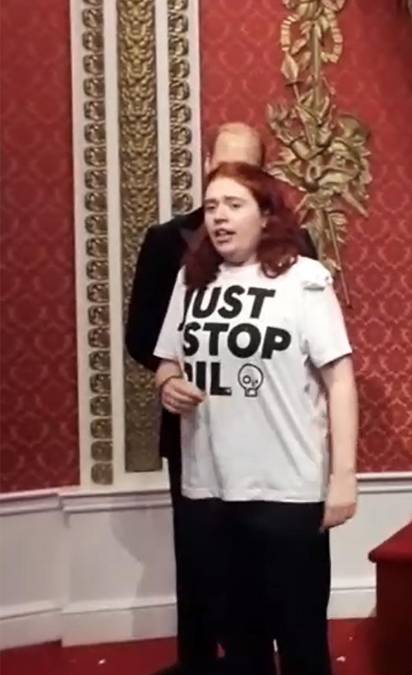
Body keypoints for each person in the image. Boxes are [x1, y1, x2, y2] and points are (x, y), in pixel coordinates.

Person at [125, 121, 315, 675]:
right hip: (195, 431)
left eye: (243, 171)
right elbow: (145, 335)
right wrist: (170, 379)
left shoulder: (298, 248)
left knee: (274, 574)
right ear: (206, 164)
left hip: (272, 440)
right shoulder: (167, 242)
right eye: (220, 167)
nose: (226, 190)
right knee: (201, 566)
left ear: (262, 178)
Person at [152, 161, 357, 675]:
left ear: (265, 216)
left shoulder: (304, 279)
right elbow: (167, 360)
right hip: (210, 490)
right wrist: (167, 384)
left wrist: (343, 477)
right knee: (240, 645)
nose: (219, 217)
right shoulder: (191, 280)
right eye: (211, 207)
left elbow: (340, 380)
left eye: (234, 205)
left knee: (301, 642)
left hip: (287, 491)